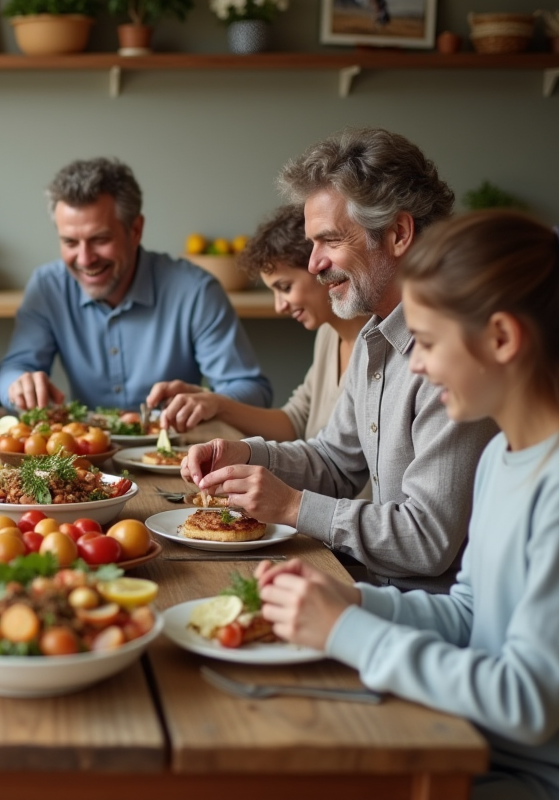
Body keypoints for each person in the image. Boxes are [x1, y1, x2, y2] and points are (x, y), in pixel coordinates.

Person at [255, 211, 559, 800]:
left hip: (554, 783)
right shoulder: (501, 457)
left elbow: (525, 701)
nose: (417, 364)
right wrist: (353, 600)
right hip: (478, 751)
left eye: (428, 343)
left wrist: (349, 631)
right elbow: (468, 616)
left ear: (503, 339)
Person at [182, 128, 496, 593]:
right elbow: (334, 461)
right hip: (376, 592)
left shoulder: (452, 354)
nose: (313, 264)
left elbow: (428, 540)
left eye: (328, 241)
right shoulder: (375, 335)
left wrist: (291, 507)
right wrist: (246, 454)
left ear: (398, 233)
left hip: (432, 621)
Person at [0, 157, 271, 412]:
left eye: (100, 239)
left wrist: (210, 402)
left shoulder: (195, 290)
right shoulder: (48, 287)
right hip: (84, 455)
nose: (84, 259)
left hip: (175, 454)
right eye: (70, 242)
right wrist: (18, 385)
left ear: (136, 230)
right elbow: (13, 369)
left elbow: (252, 390)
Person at [149, 204, 368, 439]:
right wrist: (214, 404)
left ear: (320, 265)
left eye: (285, 287)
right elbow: (295, 420)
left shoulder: (374, 346)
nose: (279, 306)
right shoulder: (329, 333)